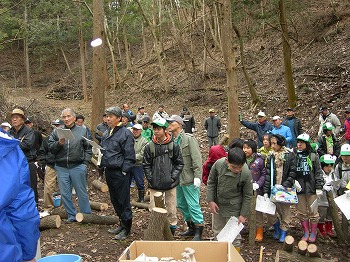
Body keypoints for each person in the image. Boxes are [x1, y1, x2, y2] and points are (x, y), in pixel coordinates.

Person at [0, 128, 40, 262]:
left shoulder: (28, 133)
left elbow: (31, 145)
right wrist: (28, 253)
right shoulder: (8, 149)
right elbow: (21, 210)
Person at [48, 108, 92, 223]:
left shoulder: (82, 131)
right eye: (64, 117)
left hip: (77, 165)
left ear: (74, 118)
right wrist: (59, 144)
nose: (66, 119)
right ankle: (71, 215)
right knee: (65, 193)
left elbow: (88, 148)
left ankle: (86, 215)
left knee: (81, 192)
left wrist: (85, 163)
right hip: (61, 166)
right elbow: (50, 148)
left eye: (68, 116)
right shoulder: (57, 131)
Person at [143, 117, 184, 235]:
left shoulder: (173, 146)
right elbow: (146, 165)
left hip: (170, 184)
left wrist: (173, 177)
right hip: (154, 184)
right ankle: (156, 230)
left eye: (159, 129)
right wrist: (150, 178)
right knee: (153, 208)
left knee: (171, 209)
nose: (156, 131)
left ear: (165, 130)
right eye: (154, 128)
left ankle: (171, 231)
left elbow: (179, 163)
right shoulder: (149, 146)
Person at [206, 147, 253, 252]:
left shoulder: (245, 173)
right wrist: (211, 200)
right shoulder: (218, 164)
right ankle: (219, 256)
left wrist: (243, 214)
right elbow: (211, 182)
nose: (237, 170)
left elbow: (248, 195)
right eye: (234, 167)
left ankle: (234, 256)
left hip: (234, 207)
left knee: (234, 235)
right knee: (218, 232)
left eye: (239, 167)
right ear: (227, 161)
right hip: (218, 205)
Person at [100, 106, 136, 240]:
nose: (108, 119)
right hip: (109, 170)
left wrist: (124, 171)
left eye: (111, 116)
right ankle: (121, 223)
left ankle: (127, 228)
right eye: (107, 116)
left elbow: (130, 156)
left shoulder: (125, 133)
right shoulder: (107, 132)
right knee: (114, 199)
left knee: (123, 200)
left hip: (120, 173)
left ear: (119, 118)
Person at [167, 115, 204, 240]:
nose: (169, 125)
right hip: (177, 179)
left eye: (171, 122)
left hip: (189, 178)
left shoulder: (189, 139)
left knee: (193, 204)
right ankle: (191, 227)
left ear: (178, 123)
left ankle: (199, 231)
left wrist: (198, 176)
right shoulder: (171, 140)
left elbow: (197, 158)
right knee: (182, 204)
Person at [263, 134, 296, 243]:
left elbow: (292, 172)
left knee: (285, 212)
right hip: (273, 188)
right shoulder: (271, 156)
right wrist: (266, 190)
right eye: (271, 143)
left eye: (274, 143)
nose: (272, 146)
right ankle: (276, 228)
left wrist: (285, 185)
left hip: (285, 189)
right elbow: (268, 174)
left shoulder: (289, 155)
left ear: (280, 144)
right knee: (271, 211)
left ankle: (283, 231)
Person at [294, 133, 324, 243]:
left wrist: (319, 187)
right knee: (301, 212)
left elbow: (318, 173)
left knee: (313, 212)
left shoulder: (313, 156)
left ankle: (313, 232)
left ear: (307, 144)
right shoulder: (295, 156)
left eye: (302, 143)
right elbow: (291, 171)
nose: (299, 145)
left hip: (311, 188)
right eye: (298, 142)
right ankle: (306, 232)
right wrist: (293, 181)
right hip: (299, 188)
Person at [9, 108, 39, 203]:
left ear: (22, 120)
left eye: (17, 117)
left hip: (28, 162)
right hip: (13, 163)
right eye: (13, 118)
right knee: (16, 186)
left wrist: (13, 143)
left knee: (31, 186)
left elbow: (27, 145)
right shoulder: (10, 132)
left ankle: (34, 206)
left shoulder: (28, 131)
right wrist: (17, 142)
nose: (14, 120)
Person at [242, 139, 266, 242]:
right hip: (243, 189)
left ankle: (259, 231)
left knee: (258, 211)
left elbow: (264, 174)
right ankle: (243, 228)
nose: (245, 150)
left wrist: (258, 184)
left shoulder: (259, 160)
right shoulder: (241, 159)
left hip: (256, 189)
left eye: (248, 148)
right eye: (244, 148)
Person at [37, 119, 63, 210]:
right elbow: (42, 151)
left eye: (59, 125)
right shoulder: (48, 139)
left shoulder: (68, 138)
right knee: (48, 188)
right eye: (55, 125)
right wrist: (44, 163)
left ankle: (63, 207)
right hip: (51, 164)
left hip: (63, 165)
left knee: (65, 187)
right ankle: (48, 207)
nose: (57, 127)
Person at [317, 154, 338, 238]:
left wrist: (335, 185)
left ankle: (329, 228)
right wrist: (323, 187)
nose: (328, 168)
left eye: (330, 166)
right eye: (326, 166)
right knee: (322, 215)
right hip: (322, 200)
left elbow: (336, 183)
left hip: (332, 198)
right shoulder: (320, 175)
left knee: (330, 214)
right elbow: (317, 185)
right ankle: (321, 228)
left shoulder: (333, 174)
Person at [130, 124, 148, 202]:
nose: (135, 131)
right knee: (126, 182)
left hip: (138, 165)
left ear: (141, 131)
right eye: (134, 129)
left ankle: (141, 199)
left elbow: (141, 155)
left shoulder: (145, 141)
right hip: (129, 165)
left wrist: (130, 156)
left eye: (137, 130)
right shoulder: (128, 139)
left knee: (140, 183)